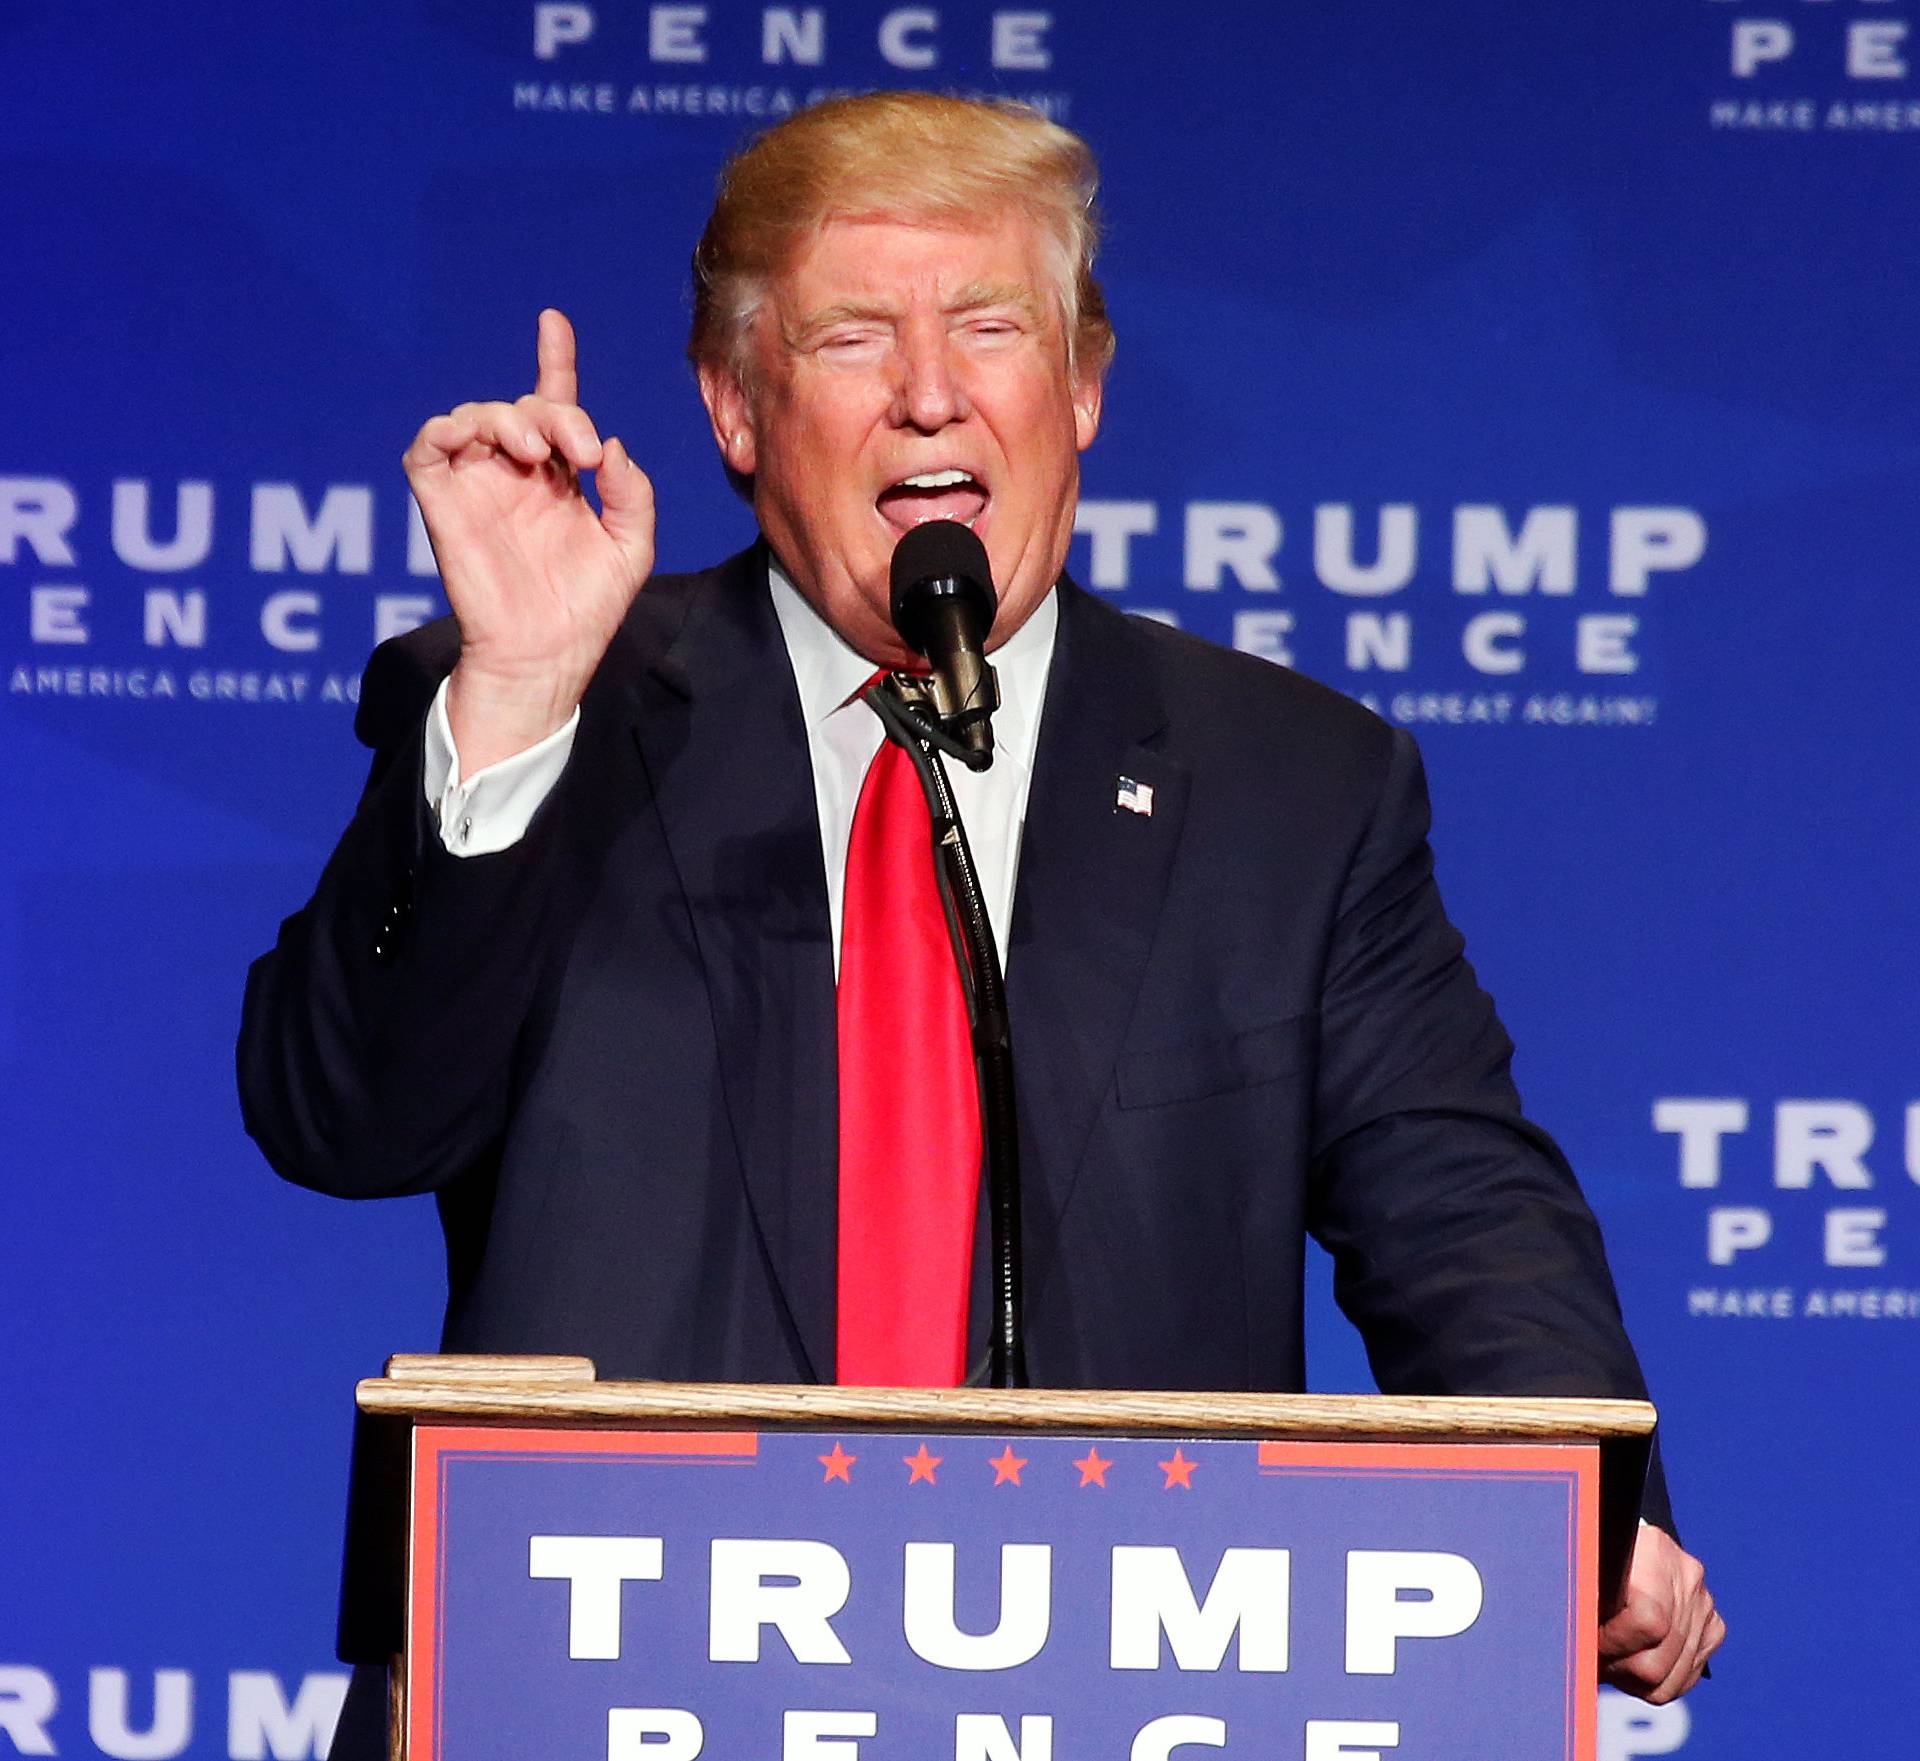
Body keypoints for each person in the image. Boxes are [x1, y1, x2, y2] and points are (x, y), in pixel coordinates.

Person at [238, 92, 1722, 1719]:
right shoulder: (548, 699)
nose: (930, 393)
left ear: (1080, 387)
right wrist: (519, 693)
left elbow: (1458, 1206)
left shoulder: (1290, 788)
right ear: (735, 404)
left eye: (993, 325)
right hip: (614, 1693)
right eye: (854, 335)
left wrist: (1590, 1500)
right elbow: (346, 1119)